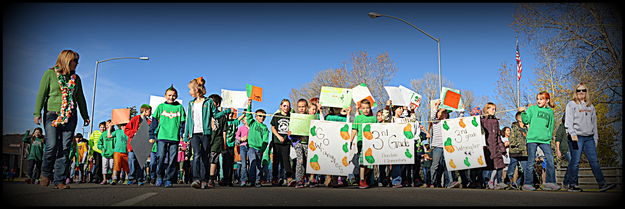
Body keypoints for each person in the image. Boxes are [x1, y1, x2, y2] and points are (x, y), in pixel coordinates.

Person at [34, 49, 90, 189]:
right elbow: (41, 94)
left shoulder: (76, 79)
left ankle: (59, 180)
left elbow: (80, 98)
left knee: (65, 148)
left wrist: (85, 115)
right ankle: (45, 173)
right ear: (66, 60)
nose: (77, 64)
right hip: (52, 114)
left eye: (77, 61)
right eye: (74, 60)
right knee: (52, 145)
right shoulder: (50, 74)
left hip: (71, 116)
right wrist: (37, 113)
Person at [563, 83, 616, 192]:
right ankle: (572, 184)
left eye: (583, 90)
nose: (581, 92)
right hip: (576, 137)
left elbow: (594, 123)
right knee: (575, 161)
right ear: (576, 92)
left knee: (594, 161)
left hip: (589, 138)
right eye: (578, 90)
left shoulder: (590, 106)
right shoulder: (571, 104)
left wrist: (595, 138)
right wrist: (572, 133)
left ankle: (602, 184)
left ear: (586, 92)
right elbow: (568, 121)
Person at [184, 77, 231, 189]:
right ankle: (196, 179)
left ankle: (204, 180)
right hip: (194, 133)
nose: (189, 92)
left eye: (190, 89)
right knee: (196, 155)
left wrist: (226, 111)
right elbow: (188, 120)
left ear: (196, 89)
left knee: (205, 156)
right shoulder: (191, 103)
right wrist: (186, 135)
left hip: (205, 133)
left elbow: (215, 115)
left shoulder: (208, 102)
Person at [518, 91, 561, 191]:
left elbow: (550, 126)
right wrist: (523, 112)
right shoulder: (532, 109)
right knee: (531, 161)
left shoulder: (550, 112)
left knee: (550, 159)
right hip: (532, 139)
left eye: (541, 99)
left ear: (547, 100)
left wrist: (549, 138)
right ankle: (527, 183)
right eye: (537, 99)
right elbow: (525, 121)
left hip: (545, 140)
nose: (538, 101)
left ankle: (550, 182)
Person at [152, 85, 186, 188]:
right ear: (165, 96)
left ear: (177, 96)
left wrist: (181, 134)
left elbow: (183, 123)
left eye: (174, 95)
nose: (171, 97)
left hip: (174, 137)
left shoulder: (179, 107)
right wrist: (151, 135)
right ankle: (159, 176)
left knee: (172, 159)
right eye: (169, 95)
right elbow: (154, 122)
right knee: (161, 157)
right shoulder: (160, 107)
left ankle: (169, 179)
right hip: (162, 136)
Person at [350, 99, 377, 189]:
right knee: (362, 162)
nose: (365, 110)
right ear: (360, 108)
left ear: (370, 108)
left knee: (370, 164)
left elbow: (378, 130)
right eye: (363, 108)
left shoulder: (373, 118)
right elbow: (354, 129)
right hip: (361, 141)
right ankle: (361, 180)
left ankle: (363, 177)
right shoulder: (358, 118)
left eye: (367, 108)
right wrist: (350, 140)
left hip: (371, 142)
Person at [124, 104, 153, 186]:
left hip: (142, 145)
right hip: (133, 144)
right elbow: (126, 129)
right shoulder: (135, 118)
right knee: (132, 161)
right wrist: (135, 133)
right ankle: (131, 178)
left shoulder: (149, 122)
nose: (151, 112)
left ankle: (140, 179)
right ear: (145, 110)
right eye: (150, 111)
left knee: (141, 162)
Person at [480, 102, 507, 190]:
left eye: (495, 109)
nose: (494, 111)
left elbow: (498, 136)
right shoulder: (482, 120)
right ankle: (486, 182)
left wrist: (502, 148)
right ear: (487, 109)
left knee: (498, 165)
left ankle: (492, 181)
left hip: (495, 147)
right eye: (492, 109)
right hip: (486, 148)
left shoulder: (496, 121)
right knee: (488, 166)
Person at [245, 98, 270, 187]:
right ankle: (251, 181)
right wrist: (249, 105)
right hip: (251, 147)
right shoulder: (252, 123)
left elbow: (265, 140)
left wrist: (262, 150)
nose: (262, 117)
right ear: (256, 116)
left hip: (260, 149)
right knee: (253, 162)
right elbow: (248, 115)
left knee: (258, 165)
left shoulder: (265, 128)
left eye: (263, 116)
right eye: (260, 116)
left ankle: (258, 180)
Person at [270, 99, 294, 187]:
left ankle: (289, 178)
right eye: (284, 105)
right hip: (277, 142)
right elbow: (272, 128)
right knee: (276, 160)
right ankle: (275, 178)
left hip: (286, 142)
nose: (286, 108)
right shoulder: (276, 116)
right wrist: (278, 136)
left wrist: (290, 134)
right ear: (281, 106)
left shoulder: (291, 116)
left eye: (288, 106)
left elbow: (294, 127)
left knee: (286, 160)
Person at [428, 100, 451, 188]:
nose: (442, 114)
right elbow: (432, 117)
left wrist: (461, 112)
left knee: (448, 166)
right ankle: (432, 182)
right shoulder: (436, 121)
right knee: (435, 165)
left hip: (447, 146)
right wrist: (436, 107)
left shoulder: (448, 123)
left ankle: (448, 183)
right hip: (437, 147)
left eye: (444, 113)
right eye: (440, 113)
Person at [289, 99, 309, 188]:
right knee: (299, 160)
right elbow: (290, 133)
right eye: (299, 107)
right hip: (297, 142)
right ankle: (298, 180)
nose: (301, 108)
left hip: (307, 143)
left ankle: (304, 179)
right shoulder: (295, 118)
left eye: (303, 106)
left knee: (306, 161)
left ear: (306, 107)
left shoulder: (309, 118)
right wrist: (290, 135)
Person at [236, 114, 251, 187]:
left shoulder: (252, 127)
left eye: (248, 118)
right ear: (243, 121)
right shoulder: (241, 128)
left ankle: (252, 180)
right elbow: (236, 136)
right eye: (245, 119)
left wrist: (248, 137)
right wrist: (241, 139)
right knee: (244, 164)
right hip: (243, 146)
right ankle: (243, 180)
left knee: (252, 164)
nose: (247, 120)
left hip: (251, 146)